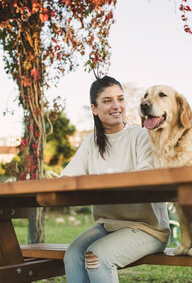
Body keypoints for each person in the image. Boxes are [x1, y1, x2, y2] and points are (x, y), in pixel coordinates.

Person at [60, 75, 170, 282]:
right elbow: (66, 177)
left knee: (96, 256)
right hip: (109, 225)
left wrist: (111, 178)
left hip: (148, 228)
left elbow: (149, 176)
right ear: (94, 108)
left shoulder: (141, 135)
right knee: (73, 255)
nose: (116, 106)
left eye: (120, 99)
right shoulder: (90, 143)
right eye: (107, 101)